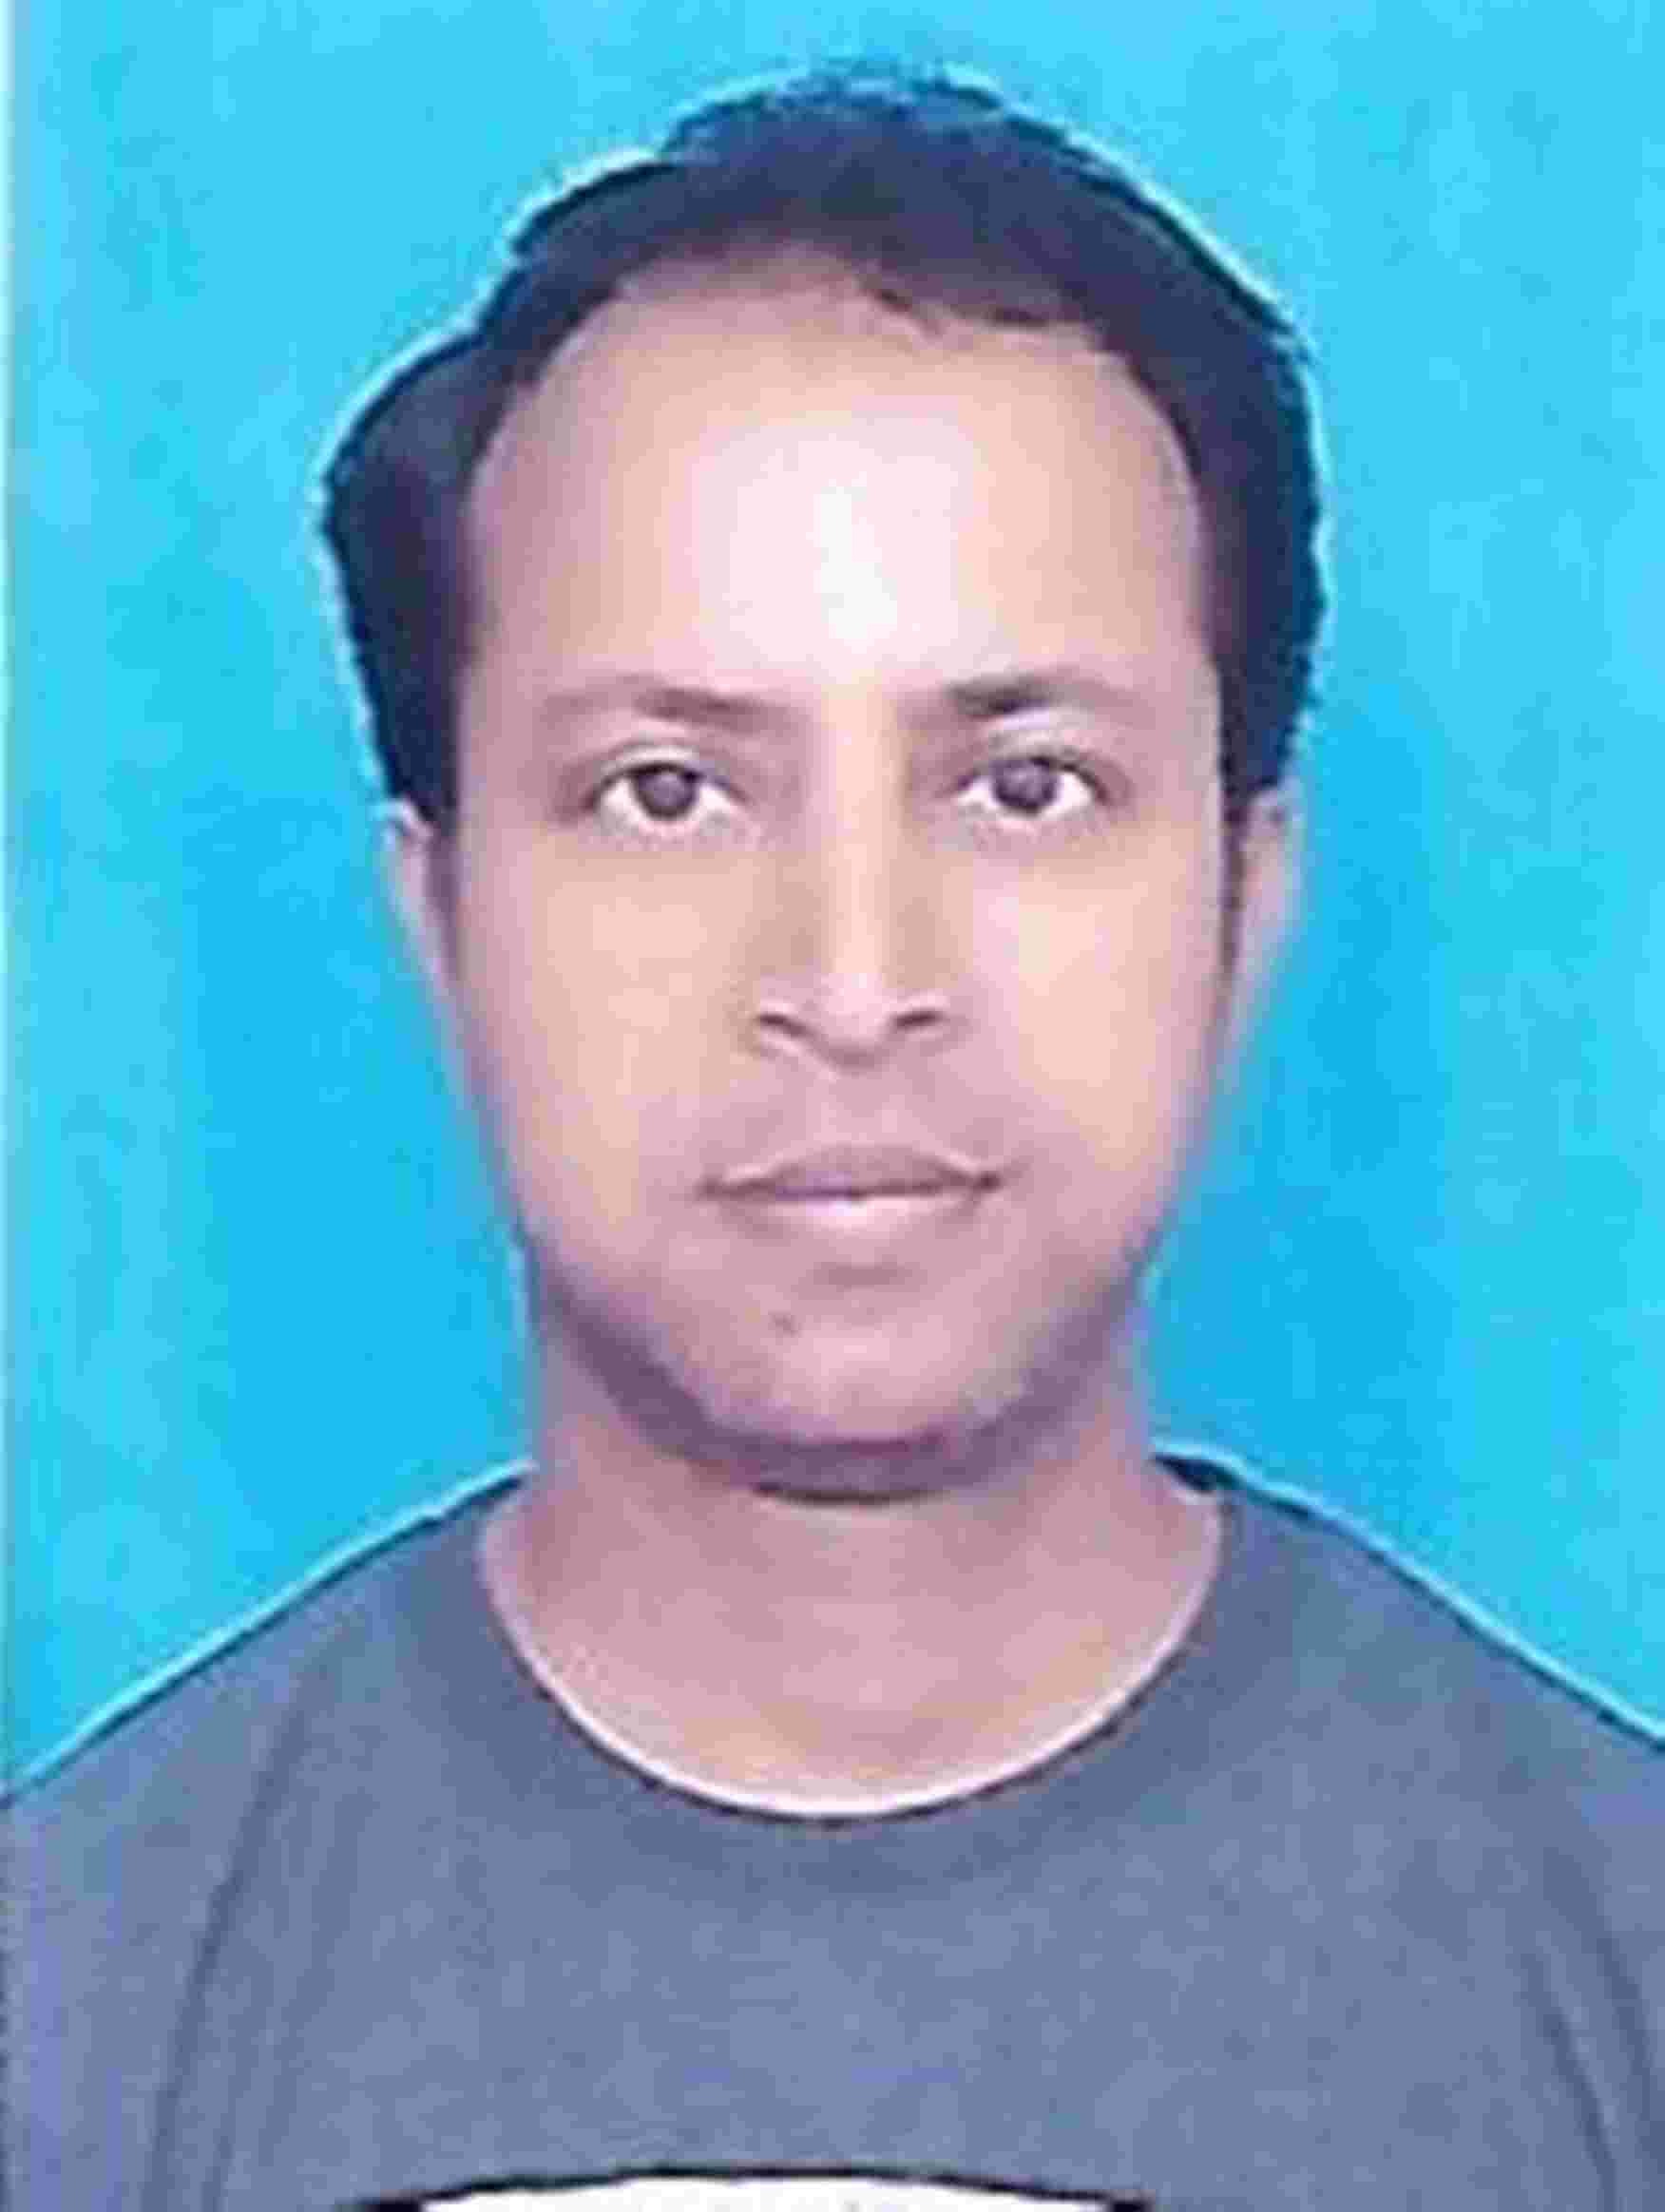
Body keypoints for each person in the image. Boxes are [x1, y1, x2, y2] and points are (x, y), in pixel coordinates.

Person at [8, 64, 1662, 2212]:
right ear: (442, 919)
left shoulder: (1615, 1976)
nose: (856, 981)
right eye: (668, 792)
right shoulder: (70, 2015)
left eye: (1025, 786)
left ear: (1250, 900)